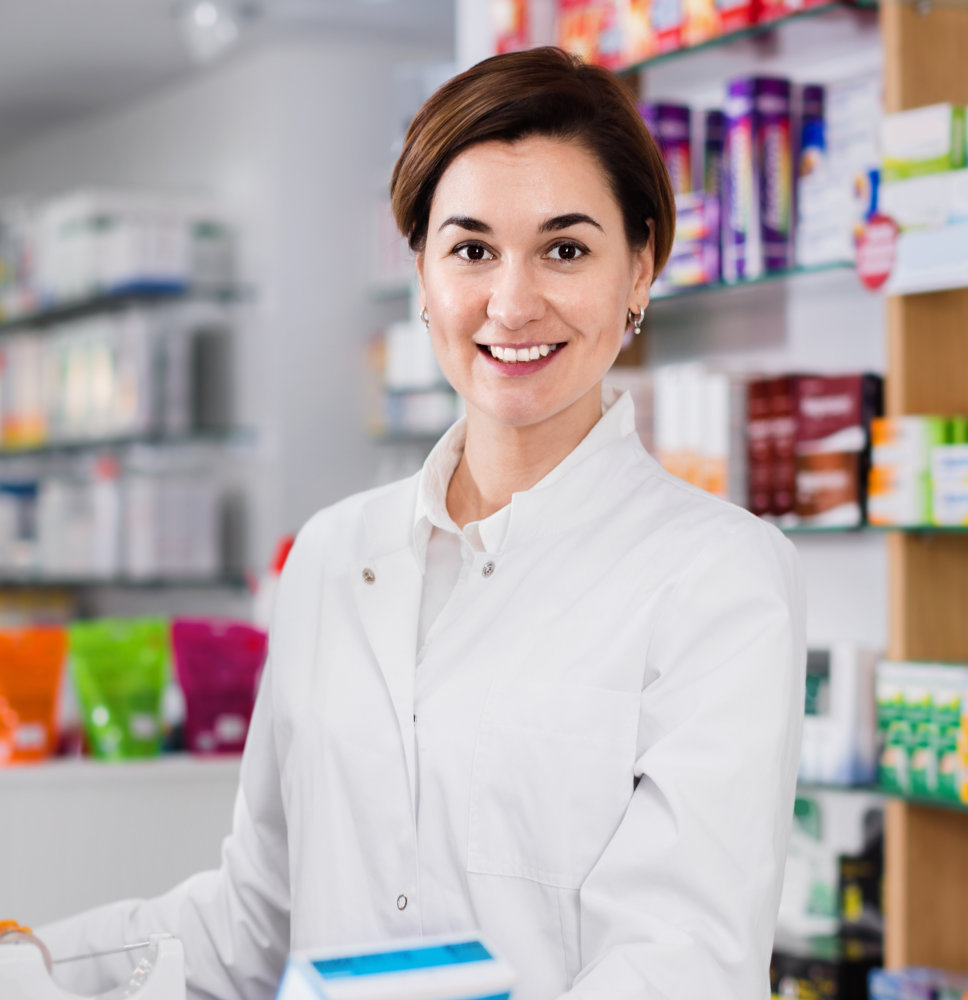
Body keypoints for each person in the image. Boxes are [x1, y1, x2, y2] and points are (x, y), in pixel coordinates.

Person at [35, 46, 805, 1000]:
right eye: (471, 248)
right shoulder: (330, 557)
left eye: (565, 249)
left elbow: (676, 968)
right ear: (423, 274)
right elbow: (253, 925)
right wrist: (35, 967)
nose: (511, 302)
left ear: (639, 270)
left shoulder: (718, 578)